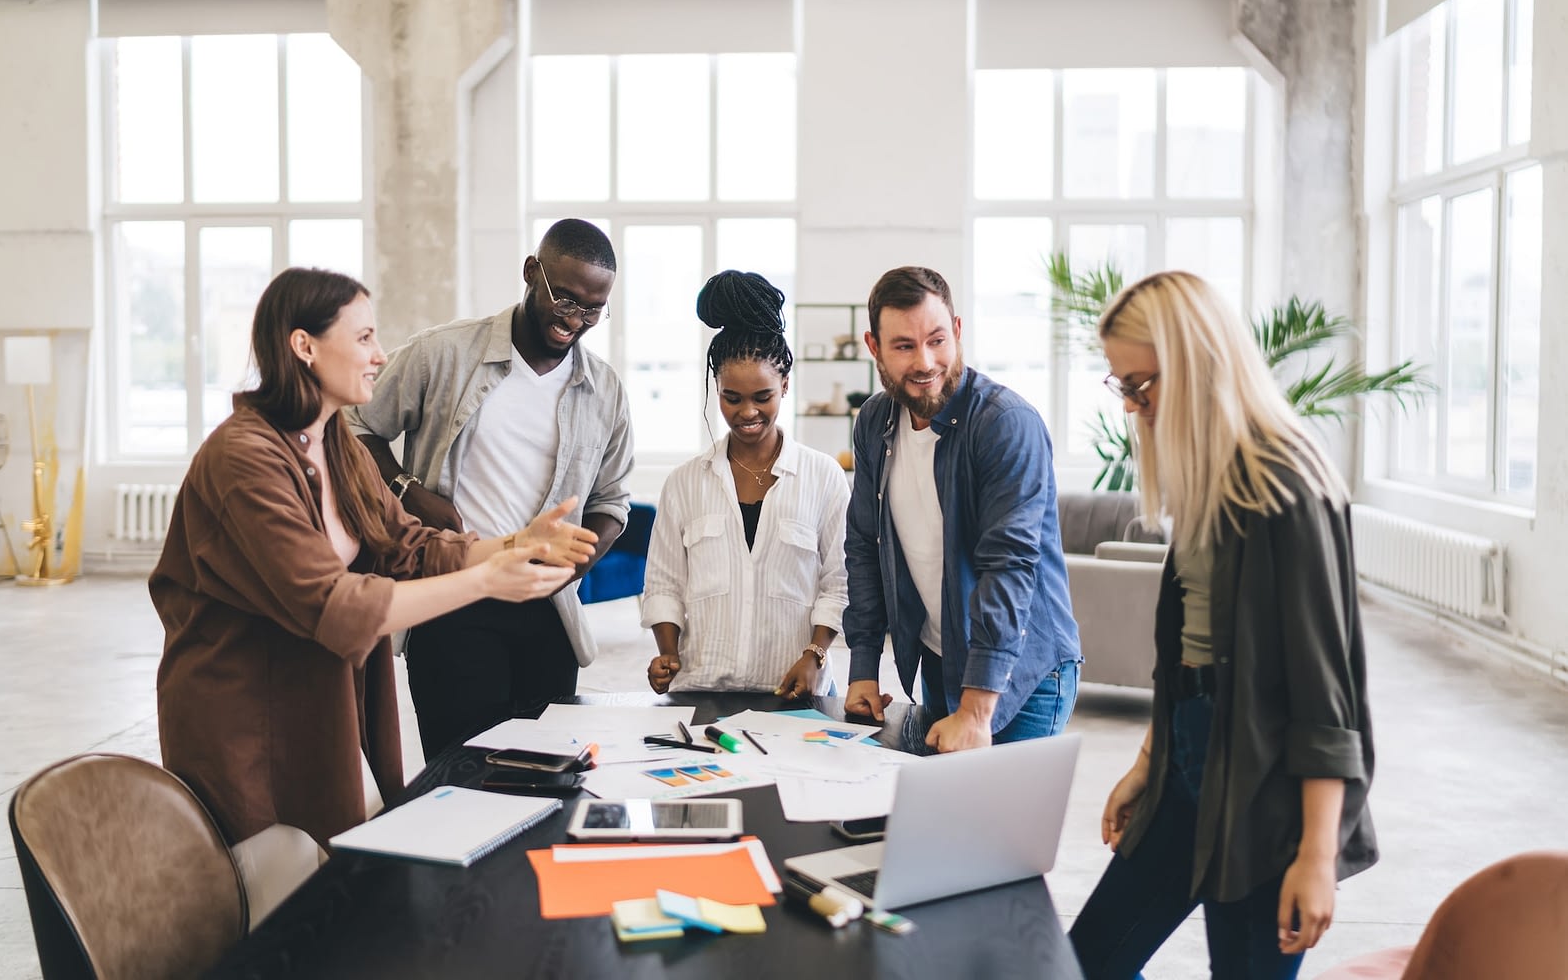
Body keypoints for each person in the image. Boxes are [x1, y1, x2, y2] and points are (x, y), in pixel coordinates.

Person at [151, 268, 596, 848]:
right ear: (304, 346)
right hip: (244, 714)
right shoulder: (242, 459)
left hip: (321, 699)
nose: (380, 356)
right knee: (266, 896)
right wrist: (488, 579)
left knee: (336, 874)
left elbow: (408, 546)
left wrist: (518, 543)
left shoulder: (336, 443)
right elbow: (334, 606)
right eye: (363, 338)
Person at [1068, 270, 1377, 979]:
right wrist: (1151, 763)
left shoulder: (1285, 486)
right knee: (1085, 963)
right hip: (1189, 762)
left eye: (1142, 385)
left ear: (1196, 364)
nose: (1132, 407)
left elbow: (1324, 700)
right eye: (1121, 387)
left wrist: (1316, 856)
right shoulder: (1206, 473)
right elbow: (1188, 653)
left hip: (1264, 795)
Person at [347, 219, 634, 758]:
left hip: (547, 613)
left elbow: (612, 501)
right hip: (456, 592)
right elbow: (355, 428)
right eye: (565, 299)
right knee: (463, 773)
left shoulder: (605, 389)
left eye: (593, 309)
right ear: (532, 272)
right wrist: (409, 490)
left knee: (544, 777)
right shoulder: (443, 354)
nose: (575, 320)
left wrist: (570, 569)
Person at [841, 266, 1081, 751]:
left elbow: (1009, 568)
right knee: (943, 816)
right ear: (874, 348)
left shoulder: (1006, 425)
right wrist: (863, 667)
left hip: (1021, 667)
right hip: (940, 655)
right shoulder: (873, 423)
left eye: (936, 340)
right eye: (904, 346)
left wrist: (974, 711)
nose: (925, 361)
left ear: (956, 329)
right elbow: (865, 546)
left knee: (1000, 824)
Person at [642, 271, 850, 697]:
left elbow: (840, 581)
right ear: (716, 388)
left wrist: (815, 656)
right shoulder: (684, 483)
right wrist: (667, 652)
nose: (747, 412)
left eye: (763, 397)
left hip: (796, 691)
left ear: (785, 386)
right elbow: (664, 584)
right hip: (701, 689)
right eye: (731, 398)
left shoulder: (822, 476)